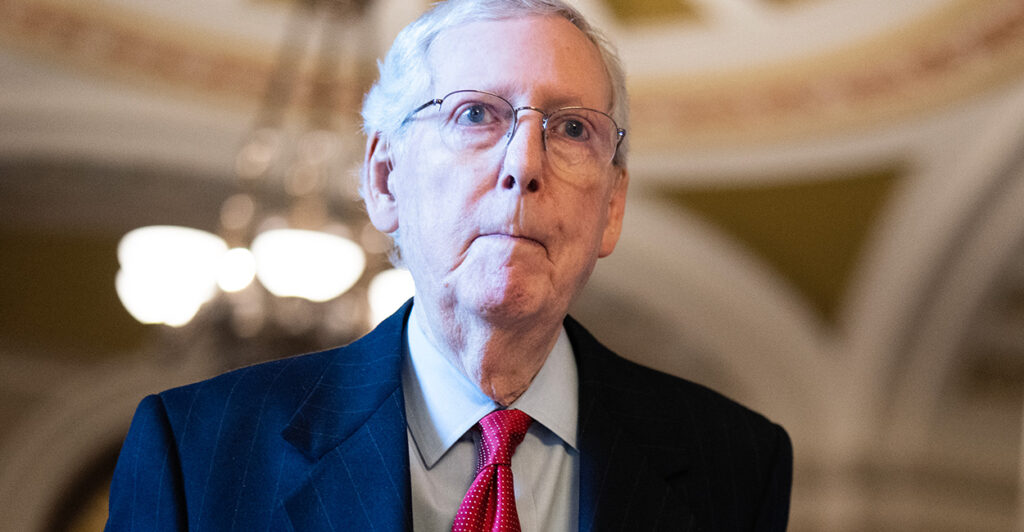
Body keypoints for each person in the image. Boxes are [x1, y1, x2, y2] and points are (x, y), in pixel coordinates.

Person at [105, 0, 792, 530]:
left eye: (573, 128)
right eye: (474, 115)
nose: (524, 164)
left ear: (612, 207)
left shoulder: (733, 462)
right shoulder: (196, 452)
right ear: (383, 179)